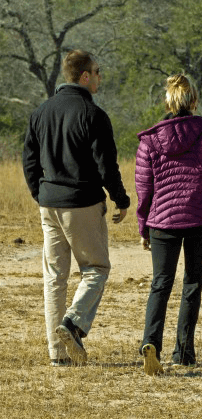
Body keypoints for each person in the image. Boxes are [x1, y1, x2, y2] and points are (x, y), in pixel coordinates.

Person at [22, 49, 130, 367]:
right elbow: (107, 166)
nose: (100, 76)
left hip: (49, 203)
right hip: (81, 203)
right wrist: (121, 200)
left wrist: (41, 194)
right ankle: (74, 322)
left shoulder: (41, 112)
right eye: (97, 71)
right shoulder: (92, 114)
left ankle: (58, 355)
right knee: (96, 269)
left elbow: (29, 161)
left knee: (55, 277)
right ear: (85, 76)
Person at [135, 73, 202, 376]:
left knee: (160, 284)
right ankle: (183, 353)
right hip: (199, 221)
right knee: (191, 286)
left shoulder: (149, 141)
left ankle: (150, 342)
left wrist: (143, 228)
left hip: (162, 223)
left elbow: (145, 190)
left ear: (167, 102)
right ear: (194, 100)